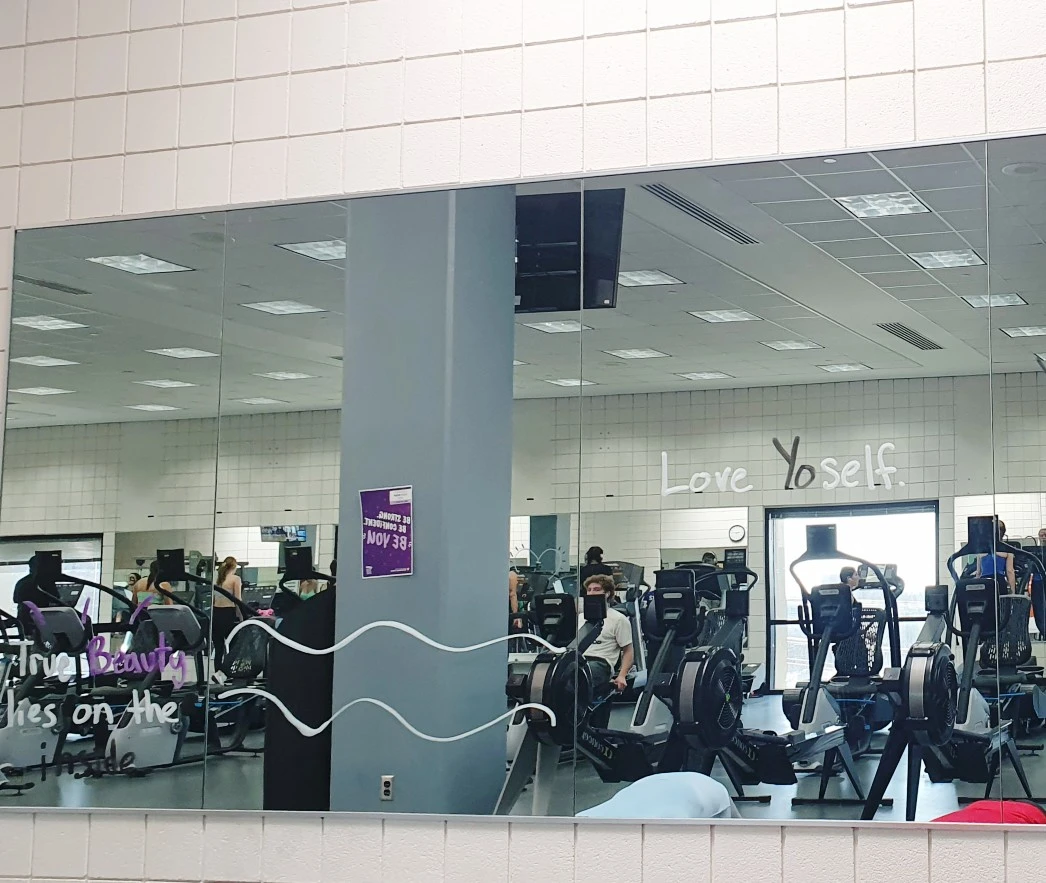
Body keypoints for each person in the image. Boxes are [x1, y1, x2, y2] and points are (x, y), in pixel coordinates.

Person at [579, 574, 633, 729]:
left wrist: (622, 675)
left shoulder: (619, 619)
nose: (591, 593)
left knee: (577, 677)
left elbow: (628, 651)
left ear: (607, 593)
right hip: (579, 660)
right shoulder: (581, 618)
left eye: (597, 589)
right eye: (589, 590)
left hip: (600, 663)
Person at [212, 556, 243, 671]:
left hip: (216, 614)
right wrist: (241, 617)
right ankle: (229, 671)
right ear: (234, 567)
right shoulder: (236, 579)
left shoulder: (217, 579)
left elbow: (213, 600)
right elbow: (238, 600)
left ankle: (217, 672)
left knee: (219, 648)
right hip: (228, 614)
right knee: (232, 645)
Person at [977, 519, 1015, 592]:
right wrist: (1013, 592)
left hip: (984, 582)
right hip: (999, 581)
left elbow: (978, 573)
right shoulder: (1007, 549)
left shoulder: (981, 550)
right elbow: (1010, 571)